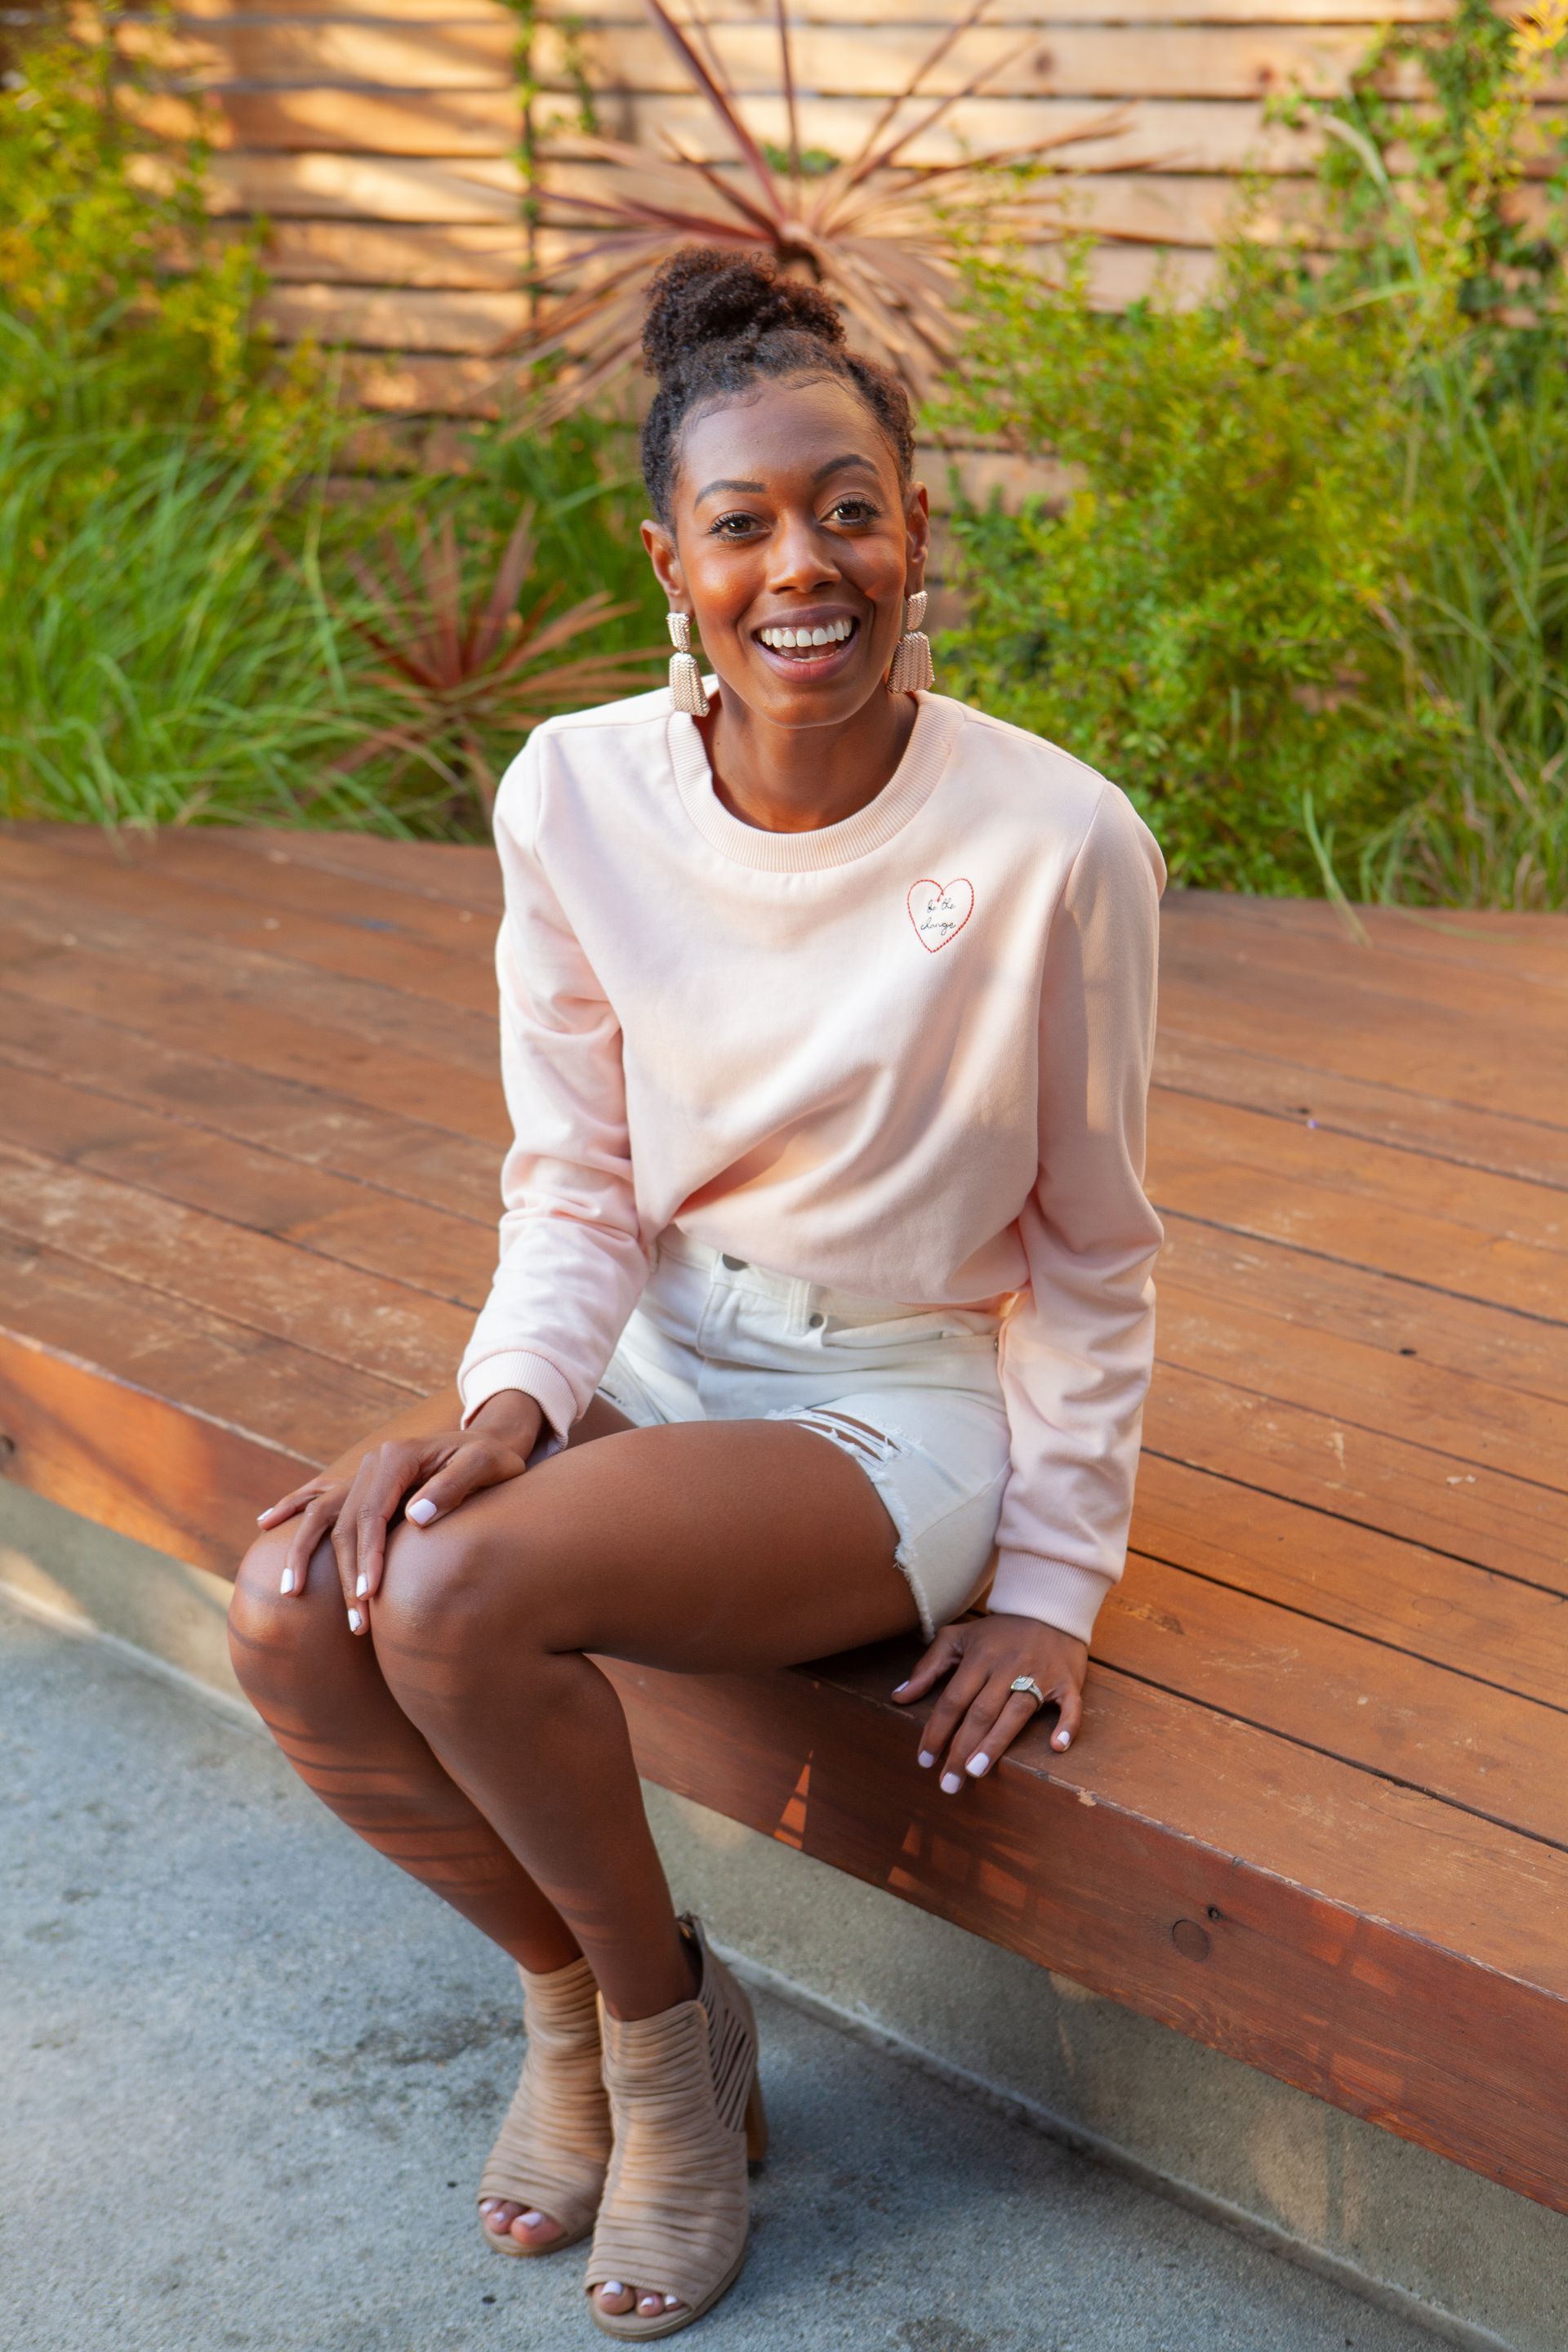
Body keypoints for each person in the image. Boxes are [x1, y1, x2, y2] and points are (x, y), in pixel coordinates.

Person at [228, 245, 1165, 2341]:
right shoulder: (573, 795)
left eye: (848, 506)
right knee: (299, 1608)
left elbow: (1099, 1249)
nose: (801, 563)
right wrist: (509, 1412)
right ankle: (600, 2017)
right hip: (651, 1357)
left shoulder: (1058, 842)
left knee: (456, 1600)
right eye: (742, 523)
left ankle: (656, 2070)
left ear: (919, 528)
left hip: (886, 1404)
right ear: (673, 559)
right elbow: (575, 1182)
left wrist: (1050, 1579)